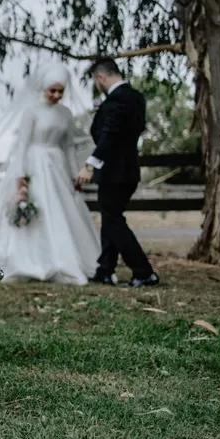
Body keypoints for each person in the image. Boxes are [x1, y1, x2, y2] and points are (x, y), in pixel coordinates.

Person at [0, 62, 100, 285]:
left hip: (57, 167)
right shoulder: (31, 111)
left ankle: (66, 259)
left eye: (61, 91)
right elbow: (22, 146)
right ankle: (30, 261)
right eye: (52, 90)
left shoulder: (65, 113)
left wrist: (73, 173)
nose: (57, 95)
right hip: (34, 166)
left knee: (62, 211)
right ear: (43, 88)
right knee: (40, 211)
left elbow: (68, 146)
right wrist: (21, 178)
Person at [74, 58, 160, 287]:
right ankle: (105, 268)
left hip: (115, 172)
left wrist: (89, 164)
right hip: (128, 170)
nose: (96, 84)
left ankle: (143, 271)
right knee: (110, 216)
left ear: (100, 77)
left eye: (95, 80)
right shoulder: (135, 97)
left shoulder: (117, 100)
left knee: (113, 219)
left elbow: (109, 135)